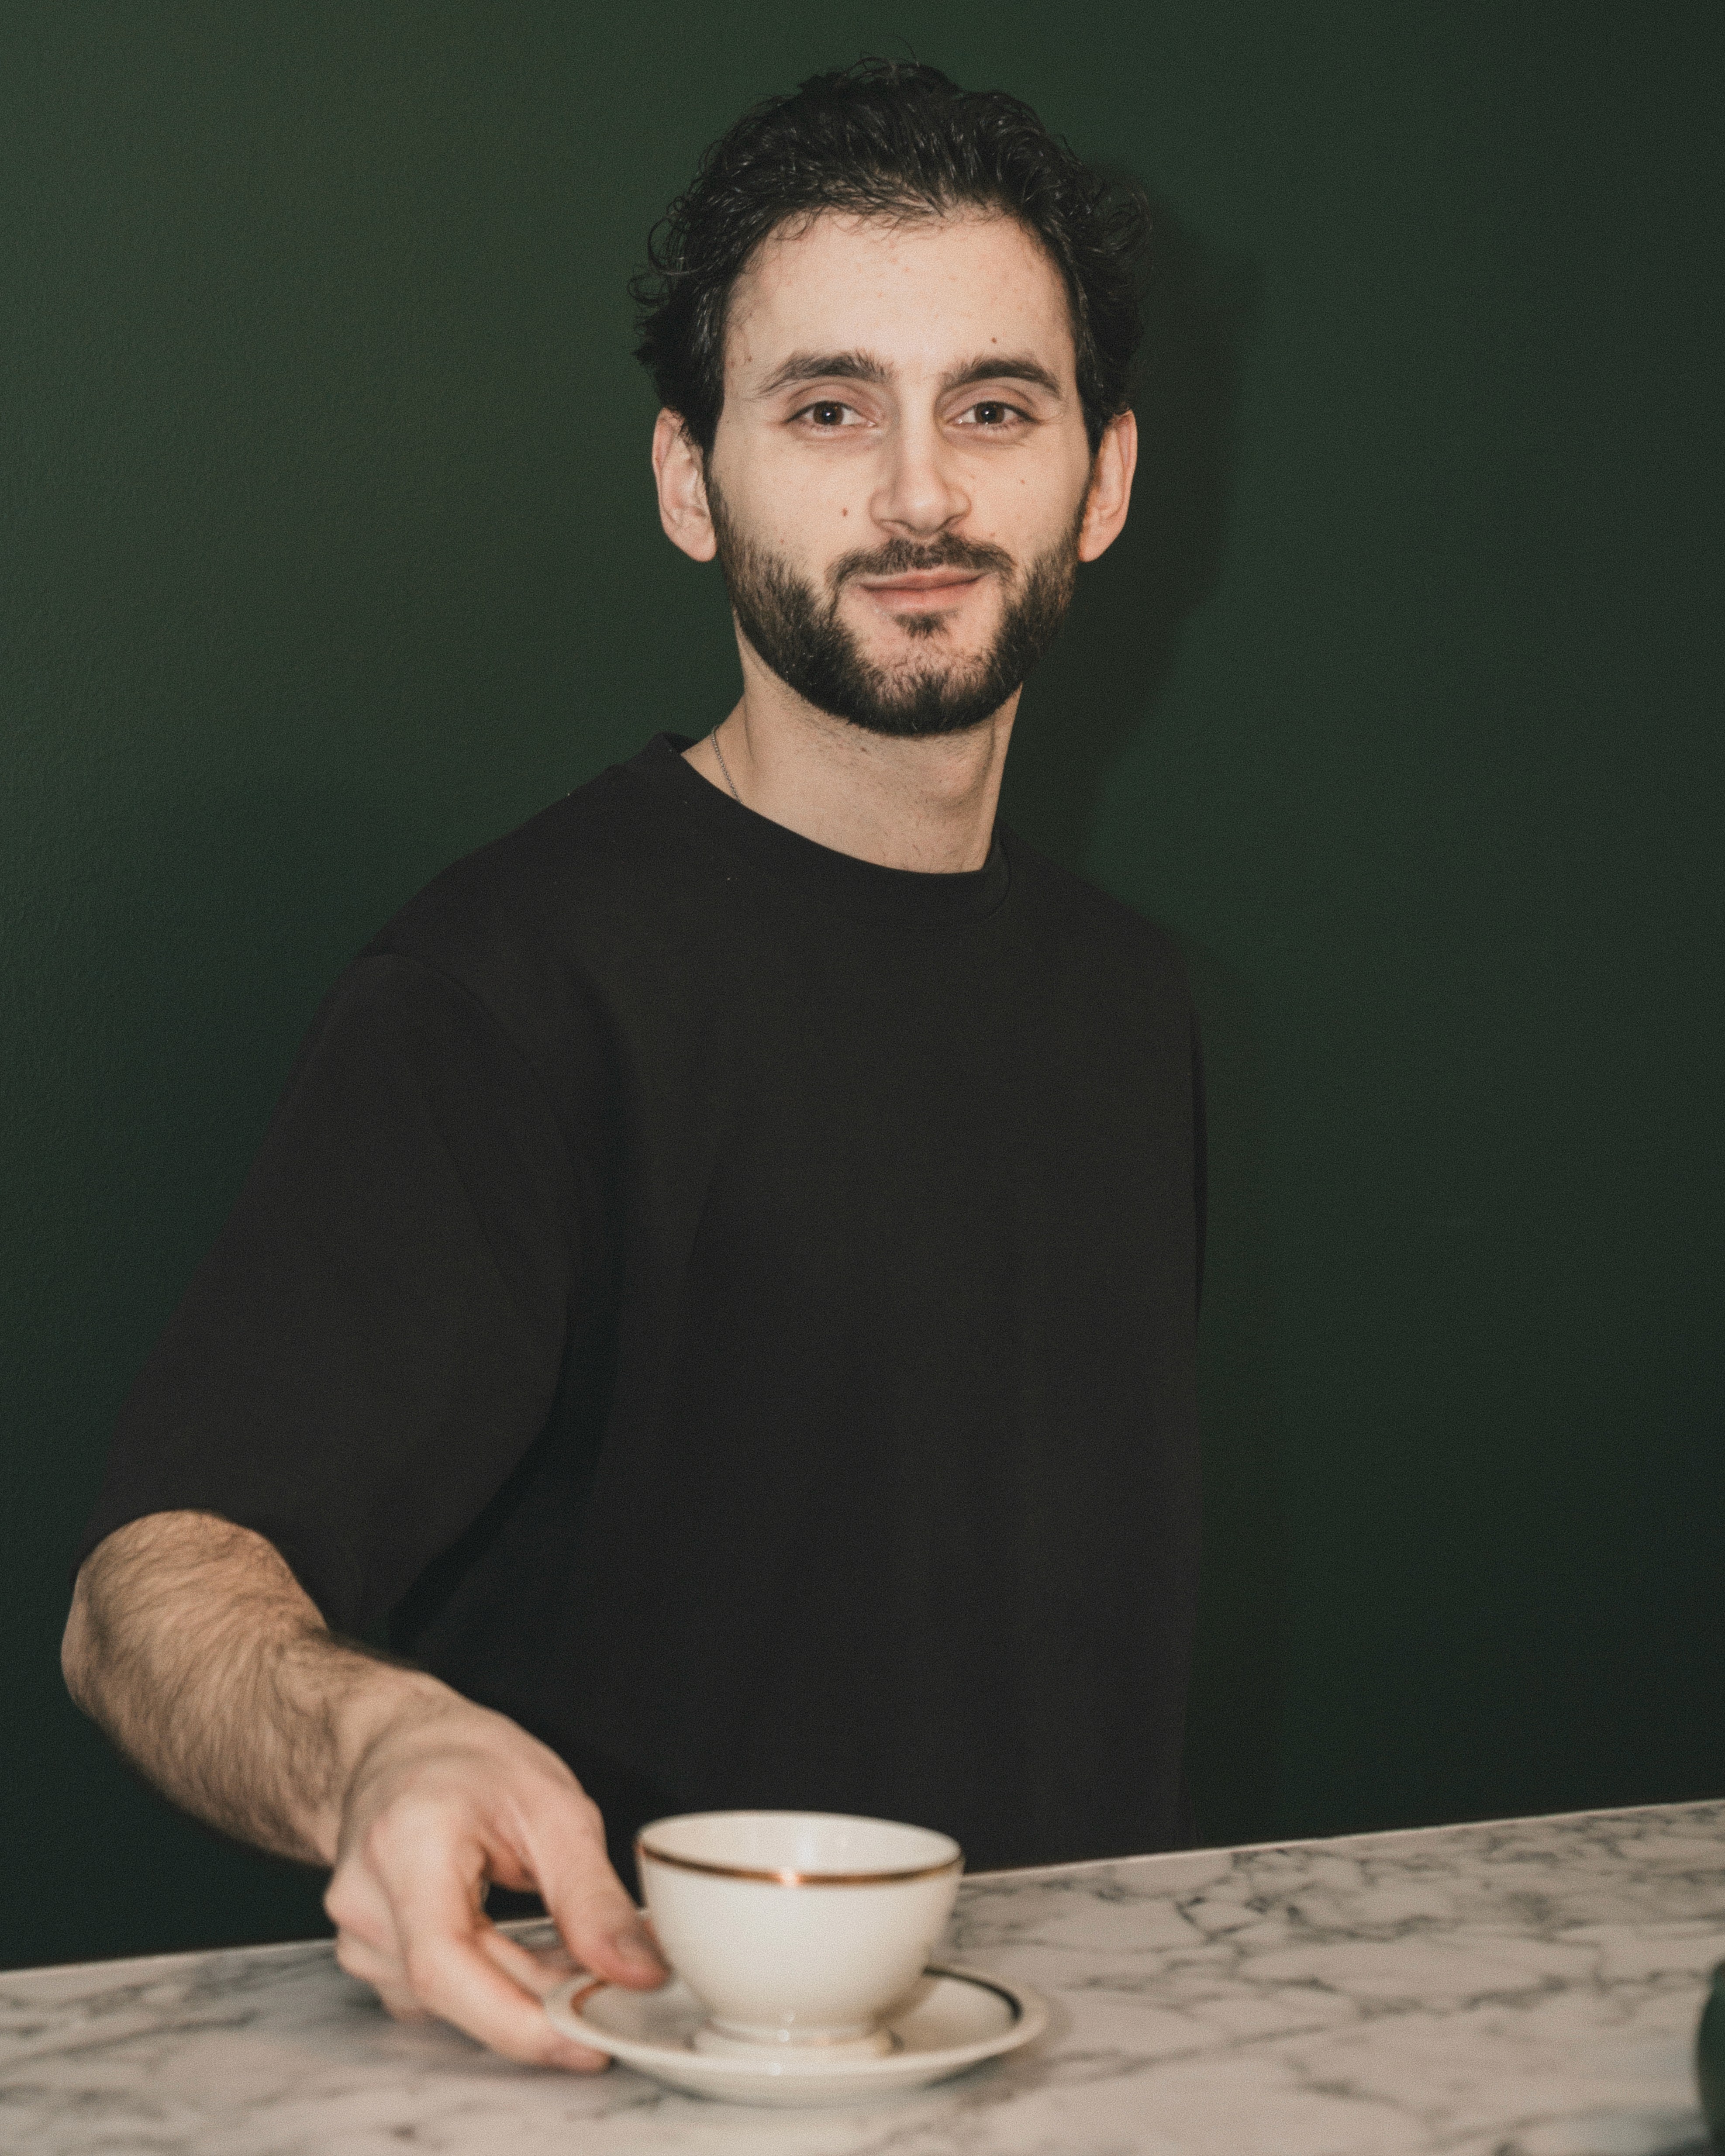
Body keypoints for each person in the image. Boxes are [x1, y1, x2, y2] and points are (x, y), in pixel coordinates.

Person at [62, 59, 1204, 2072]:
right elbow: (149, 1597)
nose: (922, 495)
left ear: (1102, 479)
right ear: (691, 479)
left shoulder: (1127, 1005)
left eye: (994, 408)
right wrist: (374, 1743)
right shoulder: (509, 986)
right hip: (616, 2076)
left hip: (1062, 2063)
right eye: (829, 407)